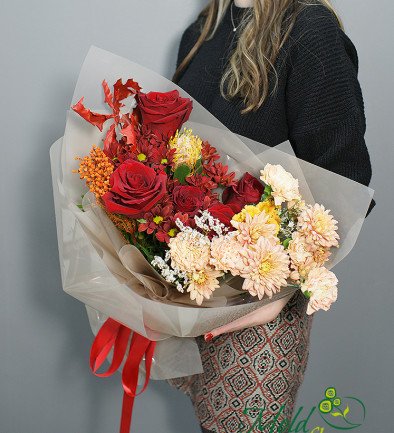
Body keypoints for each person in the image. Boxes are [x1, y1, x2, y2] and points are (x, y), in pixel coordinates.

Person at [166, 1, 376, 432]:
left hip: (260, 308)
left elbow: (345, 185)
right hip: (196, 295)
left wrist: (277, 299)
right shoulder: (202, 31)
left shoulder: (308, 30)